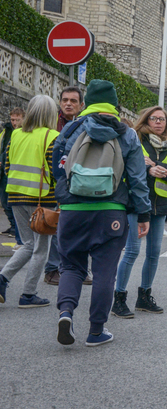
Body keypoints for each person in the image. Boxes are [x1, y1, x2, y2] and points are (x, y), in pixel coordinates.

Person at [52, 80, 151, 347]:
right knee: (105, 271)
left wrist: (65, 197)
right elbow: (138, 179)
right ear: (114, 104)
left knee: (71, 266)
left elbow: (57, 167)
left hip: (73, 210)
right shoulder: (126, 134)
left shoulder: (72, 128)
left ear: (86, 104)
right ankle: (96, 331)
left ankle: (66, 314)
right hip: (112, 212)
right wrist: (143, 214)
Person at [111, 106, 167, 318]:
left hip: (160, 205)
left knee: (153, 254)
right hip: (136, 203)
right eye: (154, 118)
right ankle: (119, 298)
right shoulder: (134, 139)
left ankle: (144, 297)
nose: (159, 122)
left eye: (163, 119)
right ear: (146, 120)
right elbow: (124, 166)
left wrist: (160, 168)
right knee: (132, 251)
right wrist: (148, 169)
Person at [0, 95, 59, 308]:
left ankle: (2, 279)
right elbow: (56, 171)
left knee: (27, 244)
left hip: (15, 196)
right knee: (40, 249)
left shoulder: (16, 134)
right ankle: (28, 294)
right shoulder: (52, 136)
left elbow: (6, 167)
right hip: (43, 200)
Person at [45, 86, 90, 286]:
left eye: (73, 101)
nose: (68, 104)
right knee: (58, 228)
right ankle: (52, 268)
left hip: (77, 184)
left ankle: (76, 268)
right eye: (65, 100)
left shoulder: (84, 125)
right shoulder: (51, 124)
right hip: (53, 185)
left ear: (82, 105)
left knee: (79, 229)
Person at [1, 108, 24, 245]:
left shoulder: (24, 132)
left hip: (15, 173)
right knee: (5, 202)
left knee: (14, 204)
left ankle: (17, 229)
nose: (14, 122)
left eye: (17, 119)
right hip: (4, 171)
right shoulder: (6, 131)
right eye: (12, 119)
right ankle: (13, 227)